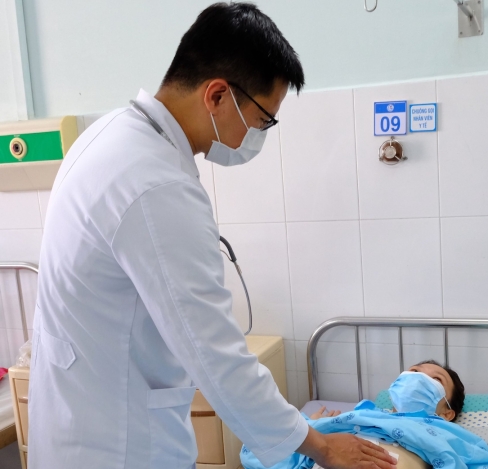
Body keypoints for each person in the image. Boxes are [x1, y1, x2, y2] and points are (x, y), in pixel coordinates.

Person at [27, 3, 396, 469]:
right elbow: (215, 355)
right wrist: (321, 447)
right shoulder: (157, 186)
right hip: (120, 446)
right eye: (262, 120)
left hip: (78, 424)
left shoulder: (108, 137)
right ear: (217, 95)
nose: (258, 135)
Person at [241, 361, 488, 469]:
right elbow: (264, 452)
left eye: (435, 378)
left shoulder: (450, 434)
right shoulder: (361, 416)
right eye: (413, 371)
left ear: (448, 412)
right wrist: (310, 428)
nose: (417, 377)